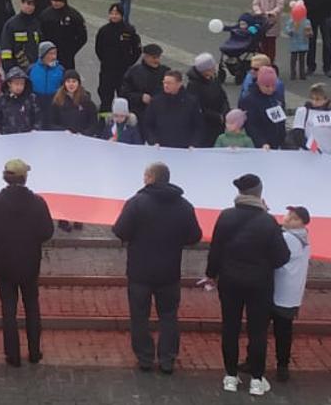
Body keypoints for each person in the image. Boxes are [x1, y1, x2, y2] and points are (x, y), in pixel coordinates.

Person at [206, 173, 290, 396]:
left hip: (230, 281)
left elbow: (215, 250)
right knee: (258, 331)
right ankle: (256, 379)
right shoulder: (268, 221)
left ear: (240, 193)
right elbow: (282, 256)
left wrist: (211, 274)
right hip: (259, 283)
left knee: (230, 327)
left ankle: (231, 376)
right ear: (260, 194)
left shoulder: (225, 217)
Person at [113, 162, 201, 373]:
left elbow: (120, 231)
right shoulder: (184, 206)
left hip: (140, 271)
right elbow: (194, 236)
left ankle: (144, 358)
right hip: (169, 272)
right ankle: (167, 359)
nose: (143, 179)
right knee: (169, 316)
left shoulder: (136, 203)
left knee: (139, 316)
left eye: (145, 175)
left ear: (151, 177)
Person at [0, 158, 54, 367]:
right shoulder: (38, 202)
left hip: (3, 262)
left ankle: (12, 354)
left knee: (8, 310)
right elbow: (47, 231)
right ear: (25, 177)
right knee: (32, 307)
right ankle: (34, 351)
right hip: (30, 262)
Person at [270, 206, 312, 383]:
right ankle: (283, 365)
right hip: (292, 293)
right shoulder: (304, 239)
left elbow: (273, 257)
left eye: (293, 218)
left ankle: (277, 366)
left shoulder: (288, 238)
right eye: (288, 215)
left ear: (301, 222)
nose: (287, 219)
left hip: (279, 291)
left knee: (276, 330)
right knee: (284, 331)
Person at [93, 5, 141, 114]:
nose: (114, 16)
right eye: (112, 13)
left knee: (123, 98)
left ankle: (123, 123)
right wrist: (105, 61)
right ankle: (104, 123)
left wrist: (128, 62)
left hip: (123, 71)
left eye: (117, 14)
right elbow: (98, 48)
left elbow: (137, 50)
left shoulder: (129, 30)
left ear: (121, 15)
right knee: (105, 97)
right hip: (107, 70)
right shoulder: (103, 30)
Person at [140, 71, 203, 148]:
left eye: (169, 83)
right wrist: (153, 141)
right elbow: (148, 124)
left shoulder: (191, 102)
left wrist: (194, 144)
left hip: (184, 149)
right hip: (161, 148)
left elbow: (198, 126)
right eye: (164, 82)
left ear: (179, 84)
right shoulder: (156, 101)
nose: (166, 85)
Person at [237, 67, 288, 149]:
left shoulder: (277, 96)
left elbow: (281, 119)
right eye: (267, 86)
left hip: (278, 141)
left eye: (273, 85)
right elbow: (251, 125)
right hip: (261, 144)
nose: (271, 89)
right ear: (259, 83)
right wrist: (261, 143)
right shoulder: (249, 100)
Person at [118, 43, 169, 120]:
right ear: (145, 56)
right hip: (140, 114)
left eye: (158, 57)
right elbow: (124, 94)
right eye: (154, 58)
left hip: (160, 114)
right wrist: (140, 97)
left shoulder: (166, 72)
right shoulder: (133, 72)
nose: (157, 60)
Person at [186, 53, 229, 143]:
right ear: (204, 69)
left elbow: (223, 97)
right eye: (212, 67)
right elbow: (198, 107)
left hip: (219, 123)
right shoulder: (193, 86)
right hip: (205, 126)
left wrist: (225, 112)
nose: (214, 68)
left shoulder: (213, 79)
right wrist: (217, 117)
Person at [290, 83, 331, 155]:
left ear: (326, 99)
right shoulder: (302, 111)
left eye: (318, 99)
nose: (314, 102)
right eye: (312, 98)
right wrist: (314, 148)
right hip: (307, 154)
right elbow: (298, 135)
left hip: (328, 155)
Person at [44, 73, 99, 138]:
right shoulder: (57, 101)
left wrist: (84, 134)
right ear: (64, 83)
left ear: (78, 83)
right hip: (63, 139)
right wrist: (63, 131)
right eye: (68, 81)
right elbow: (51, 123)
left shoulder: (87, 101)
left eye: (74, 81)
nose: (71, 84)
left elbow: (93, 124)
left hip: (83, 139)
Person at [0, 0, 44, 71]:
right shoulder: (11, 24)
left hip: (35, 67)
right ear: (21, 4)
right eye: (28, 4)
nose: (30, 7)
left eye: (33, 5)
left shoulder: (36, 23)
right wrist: (9, 68)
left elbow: (40, 44)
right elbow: (6, 49)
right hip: (16, 67)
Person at [0, 68, 39, 135]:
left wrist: (35, 129)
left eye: (22, 84)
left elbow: (37, 116)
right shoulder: (0, 100)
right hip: (6, 136)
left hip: (27, 136)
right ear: (9, 84)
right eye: (16, 84)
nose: (19, 87)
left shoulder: (31, 98)